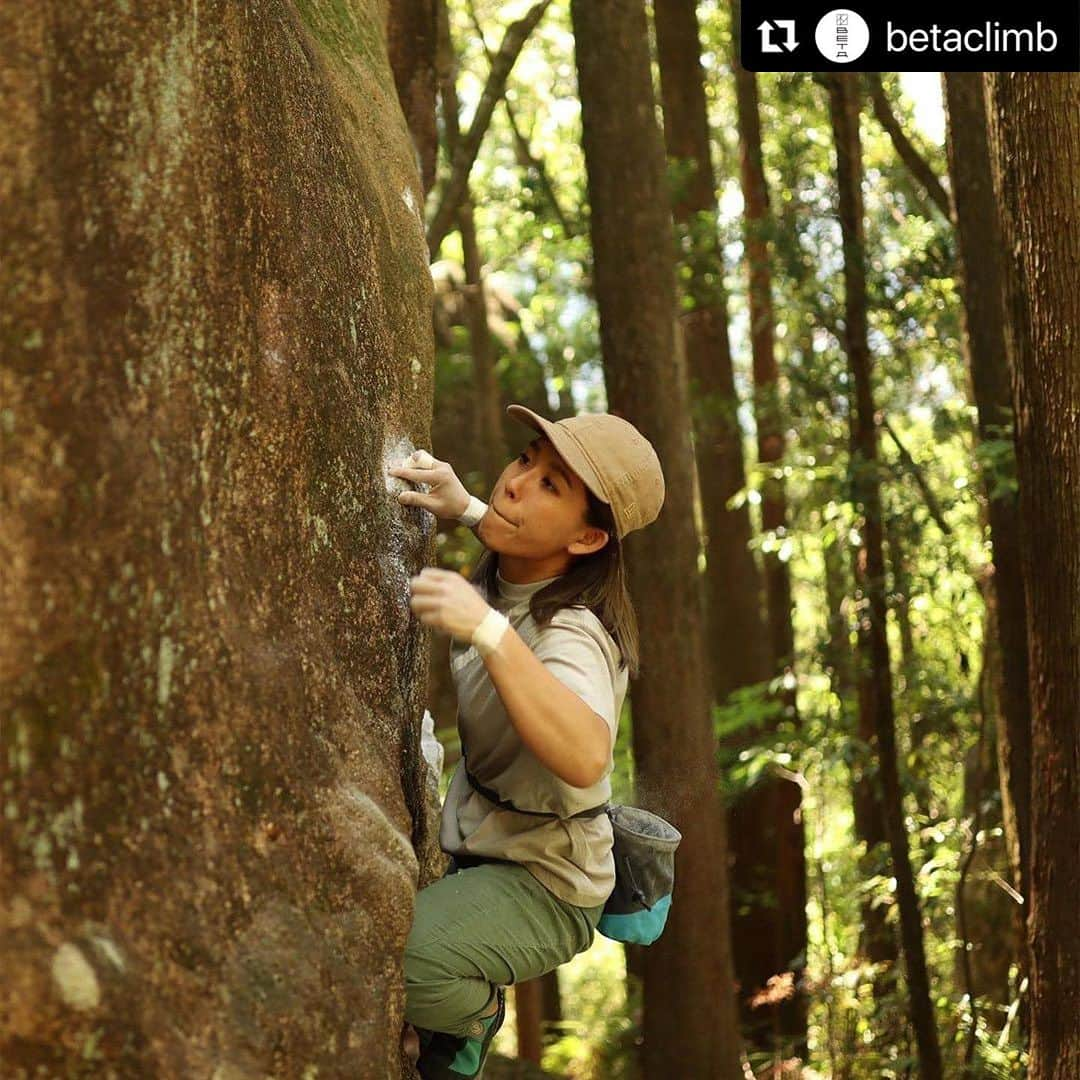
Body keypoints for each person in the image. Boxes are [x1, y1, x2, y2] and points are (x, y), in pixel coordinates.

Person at [387, 404, 665, 1078]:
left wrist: (487, 629)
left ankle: (472, 1017)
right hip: (490, 850)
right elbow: (511, 531)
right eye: (526, 458)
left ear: (589, 541)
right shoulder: (524, 567)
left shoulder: (572, 630)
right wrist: (465, 506)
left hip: (547, 884)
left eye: (551, 485)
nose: (517, 482)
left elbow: (585, 753)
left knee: (403, 959)